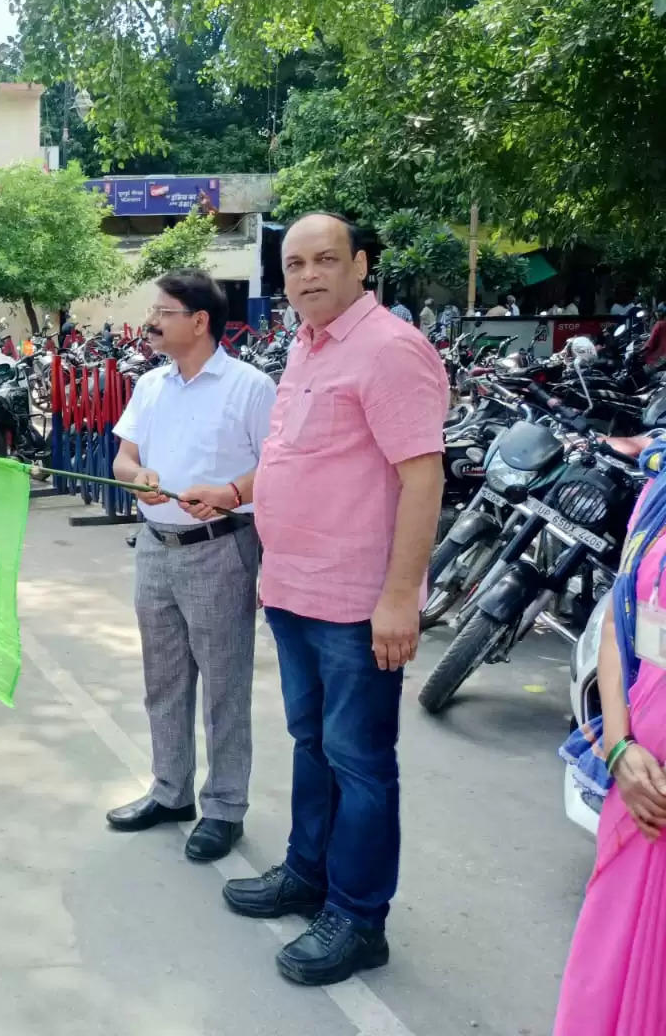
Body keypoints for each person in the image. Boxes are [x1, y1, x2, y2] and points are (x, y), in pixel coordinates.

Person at [224, 214, 447, 987]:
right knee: (313, 744)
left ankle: (358, 918)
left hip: (357, 605)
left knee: (360, 763)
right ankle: (307, 875)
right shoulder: (306, 347)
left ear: (361, 265)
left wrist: (398, 598)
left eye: (326, 259)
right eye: (294, 264)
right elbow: (292, 457)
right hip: (293, 590)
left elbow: (423, 478)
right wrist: (230, 491)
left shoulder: (390, 350)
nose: (309, 274)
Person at [105, 271, 276, 862]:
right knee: (164, 680)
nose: (152, 322)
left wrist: (230, 490)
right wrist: (140, 478)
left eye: (164, 312)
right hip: (156, 546)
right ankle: (170, 790)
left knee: (224, 686)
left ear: (199, 321)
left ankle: (226, 806)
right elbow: (124, 458)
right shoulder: (152, 386)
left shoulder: (251, 387)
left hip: (220, 547)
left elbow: (278, 468)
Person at [555, 441, 666, 1032]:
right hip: (641, 789)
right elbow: (623, 622)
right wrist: (620, 747)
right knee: (608, 975)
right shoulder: (660, 487)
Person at [643, 303, 666, 370]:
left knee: (642, 373)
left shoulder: (659, 324)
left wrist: (642, 351)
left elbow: (650, 343)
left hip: (659, 360)